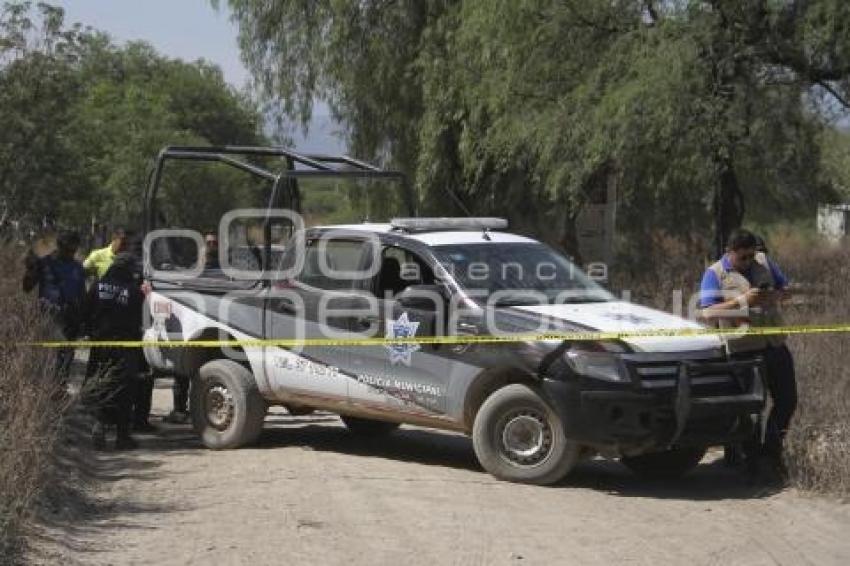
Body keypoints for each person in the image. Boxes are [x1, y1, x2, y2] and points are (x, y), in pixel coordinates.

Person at [699, 228, 797, 480]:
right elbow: (708, 312)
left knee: (787, 401)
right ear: (729, 253)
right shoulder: (715, 274)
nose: (748, 261)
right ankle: (751, 462)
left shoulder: (764, 262)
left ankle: (771, 453)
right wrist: (742, 301)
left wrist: (774, 295)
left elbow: (786, 290)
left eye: (752, 256)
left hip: (774, 344)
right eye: (743, 257)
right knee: (752, 409)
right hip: (743, 351)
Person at [84, 251, 145, 450]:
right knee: (125, 391)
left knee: (100, 385)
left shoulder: (98, 285)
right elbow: (139, 319)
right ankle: (122, 436)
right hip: (125, 347)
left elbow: (86, 311)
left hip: (100, 345)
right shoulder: (134, 291)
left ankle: (98, 428)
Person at [22, 230, 87, 384]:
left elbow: (82, 295)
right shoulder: (43, 264)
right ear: (59, 246)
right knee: (48, 360)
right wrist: (30, 270)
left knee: (65, 360)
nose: (71, 253)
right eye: (68, 249)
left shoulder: (78, 268)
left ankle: (59, 392)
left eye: (74, 250)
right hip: (49, 318)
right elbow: (27, 287)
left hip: (71, 320)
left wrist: (84, 321)